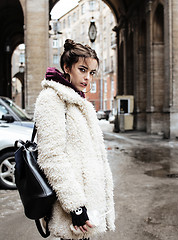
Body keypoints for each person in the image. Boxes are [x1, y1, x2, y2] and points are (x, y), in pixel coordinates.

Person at [34, 39, 115, 240]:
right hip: (73, 208)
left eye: (92, 73)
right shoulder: (52, 98)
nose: (88, 78)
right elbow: (51, 157)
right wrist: (76, 207)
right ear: (66, 68)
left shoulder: (77, 99)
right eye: (82, 69)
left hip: (88, 203)